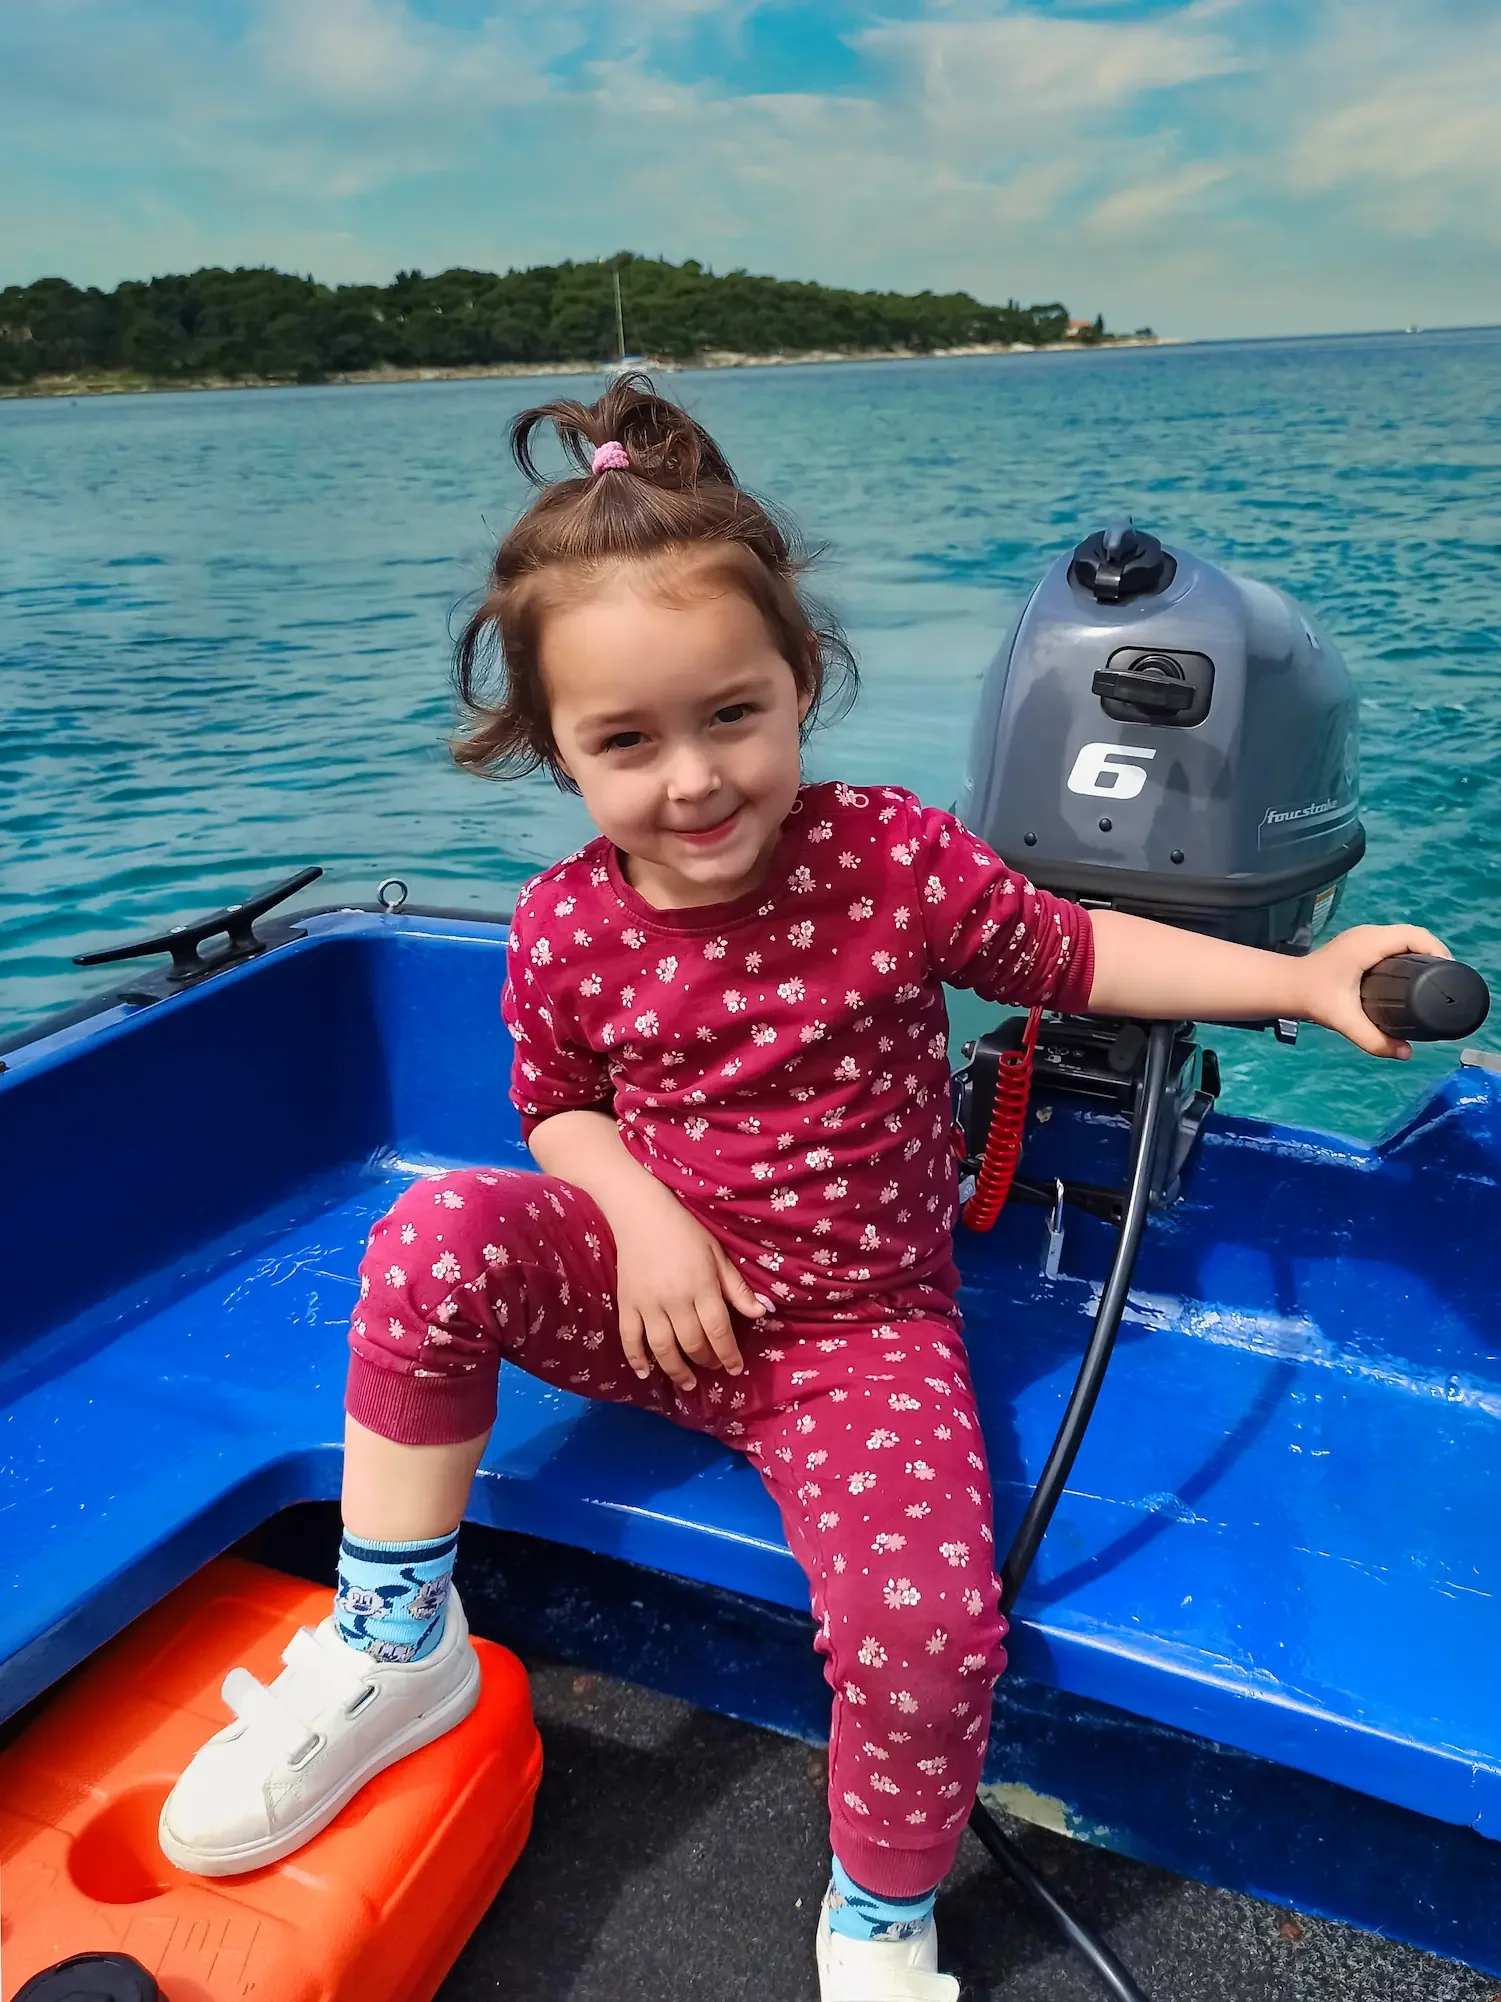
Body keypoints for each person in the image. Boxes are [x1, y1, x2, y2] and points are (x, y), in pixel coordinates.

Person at [160, 382, 1446, 2001]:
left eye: (732, 716)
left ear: (802, 685)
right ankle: (395, 1633)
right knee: (430, 1237)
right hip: (658, 1298)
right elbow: (555, 1110)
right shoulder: (567, 925)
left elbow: (1076, 948)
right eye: (626, 741)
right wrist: (639, 1210)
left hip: (859, 1337)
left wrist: (1300, 977)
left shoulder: (892, 858)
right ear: (551, 750)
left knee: (927, 1632)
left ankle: (880, 1909)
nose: (694, 781)